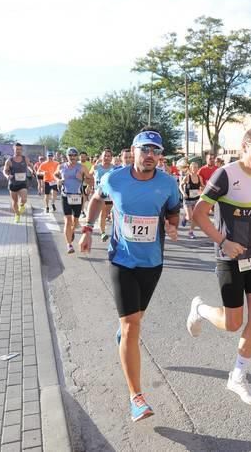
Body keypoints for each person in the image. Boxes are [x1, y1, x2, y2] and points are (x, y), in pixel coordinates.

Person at [80, 128, 180, 422]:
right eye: (145, 149)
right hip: (121, 260)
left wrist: (173, 226)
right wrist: (87, 229)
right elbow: (97, 199)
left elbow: (174, 212)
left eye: (155, 151)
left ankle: (124, 331)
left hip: (152, 262)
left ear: (160, 156)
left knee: (135, 320)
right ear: (133, 151)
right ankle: (136, 397)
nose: (150, 156)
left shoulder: (168, 183)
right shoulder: (114, 178)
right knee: (132, 327)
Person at [186, 126, 251, 406]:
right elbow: (198, 214)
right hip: (230, 257)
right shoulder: (226, 174)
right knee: (233, 324)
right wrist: (223, 242)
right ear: (245, 147)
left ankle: (238, 376)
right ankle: (201, 309)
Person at [55, 148, 86, 254]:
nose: (72, 157)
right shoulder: (61, 166)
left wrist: (82, 179)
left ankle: (71, 231)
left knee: (75, 222)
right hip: (65, 196)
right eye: (70, 155)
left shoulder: (81, 167)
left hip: (77, 196)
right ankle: (69, 244)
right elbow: (55, 174)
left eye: (74, 155)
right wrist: (58, 180)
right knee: (68, 221)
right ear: (67, 156)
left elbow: (90, 179)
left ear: (77, 156)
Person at [2, 143, 34, 223]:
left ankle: (22, 205)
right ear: (14, 149)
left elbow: (30, 165)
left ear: (22, 150)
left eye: (20, 149)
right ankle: (17, 215)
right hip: (13, 183)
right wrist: (7, 176)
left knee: (24, 199)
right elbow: (5, 171)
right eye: (17, 149)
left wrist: (33, 170)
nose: (18, 151)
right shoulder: (9, 160)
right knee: (15, 201)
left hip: (23, 182)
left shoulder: (25, 158)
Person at [91, 149, 117, 242]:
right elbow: (89, 176)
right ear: (102, 157)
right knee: (102, 213)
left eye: (109, 156)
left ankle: (115, 232)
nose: (106, 157)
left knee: (107, 213)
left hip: (110, 194)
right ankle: (102, 232)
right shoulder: (96, 167)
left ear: (111, 158)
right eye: (105, 155)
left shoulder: (115, 168)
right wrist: (88, 186)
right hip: (100, 194)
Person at [179, 161, 204, 238]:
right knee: (190, 217)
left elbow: (202, 186)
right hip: (188, 200)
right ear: (190, 168)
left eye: (196, 167)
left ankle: (191, 232)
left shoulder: (199, 177)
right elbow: (180, 186)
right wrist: (184, 193)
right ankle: (185, 218)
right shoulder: (187, 177)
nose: (195, 169)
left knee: (195, 217)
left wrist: (202, 190)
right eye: (193, 167)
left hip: (196, 199)